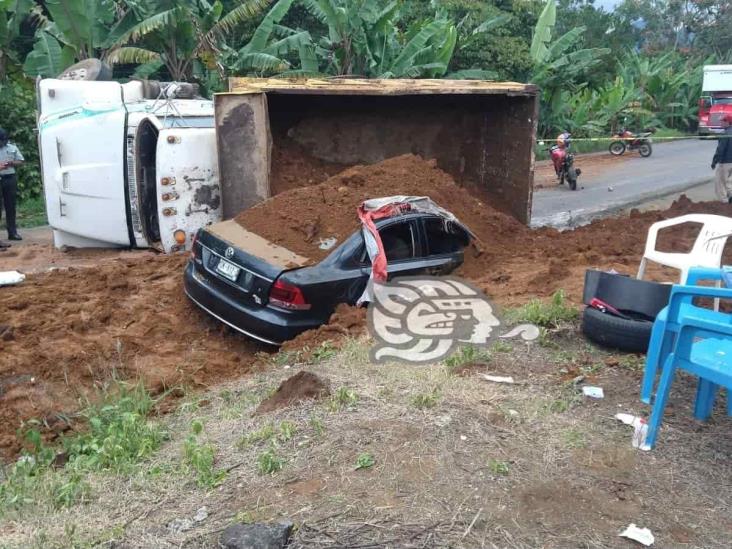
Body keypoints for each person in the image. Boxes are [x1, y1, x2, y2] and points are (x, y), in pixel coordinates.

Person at [0, 127, 23, 240]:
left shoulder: (12, 147)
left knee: (11, 206)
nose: (2, 143)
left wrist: (11, 163)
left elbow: (21, 161)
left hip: (9, 178)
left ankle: (12, 233)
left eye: (3, 140)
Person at [712, 114, 732, 203]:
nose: (720, 123)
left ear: (727, 122)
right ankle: (730, 197)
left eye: (722, 121)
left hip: (725, 162)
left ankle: (724, 203)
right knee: (729, 181)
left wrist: (714, 161)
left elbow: (720, 149)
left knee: (720, 182)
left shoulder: (725, 134)